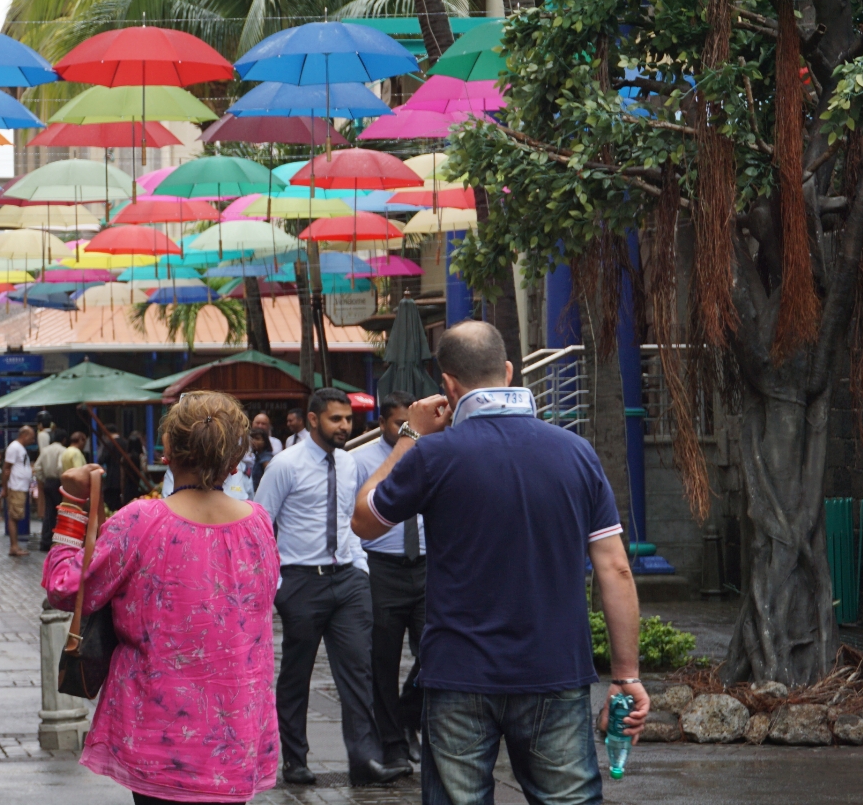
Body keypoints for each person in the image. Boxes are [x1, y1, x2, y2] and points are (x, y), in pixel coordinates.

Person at [355, 321, 649, 805]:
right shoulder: (576, 453)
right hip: (555, 669)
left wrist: (410, 433)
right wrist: (626, 676)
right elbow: (615, 568)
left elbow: (365, 520)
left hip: (459, 674)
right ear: (508, 370)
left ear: (447, 386)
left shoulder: (434, 455)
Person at [43, 391, 280, 802]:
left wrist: (73, 504)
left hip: (159, 734)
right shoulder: (258, 524)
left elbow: (65, 588)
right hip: (235, 734)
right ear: (232, 461)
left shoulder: (141, 520)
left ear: (168, 451)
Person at [254, 387, 399, 788]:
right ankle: (295, 760)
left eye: (348, 420)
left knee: (358, 669)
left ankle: (364, 760)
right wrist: (279, 582)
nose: (345, 427)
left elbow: (350, 519)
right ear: (314, 420)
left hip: (347, 579)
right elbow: (260, 524)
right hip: (300, 581)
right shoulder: (285, 465)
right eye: (336, 419)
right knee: (296, 674)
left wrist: (361, 568)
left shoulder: (349, 464)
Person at [349, 390, 425, 772]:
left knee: (437, 649)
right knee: (383, 660)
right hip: (381, 567)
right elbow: (350, 514)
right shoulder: (361, 462)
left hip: (428, 566)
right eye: (400, 424)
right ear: (382, 423)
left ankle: (410, 711)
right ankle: (393, 743)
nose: (409, 430)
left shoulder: (431, 454)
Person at [31, 426, 68, 552]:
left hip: (48, 482)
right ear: (64, 439)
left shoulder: (45, 450)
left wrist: (43, 479)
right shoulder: (63, 450)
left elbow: (36, 467)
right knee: (60, 512)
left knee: (48, 512)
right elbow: (60, 467)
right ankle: (58, 541)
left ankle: (46, 541)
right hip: (58, 483)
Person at [2, 425, 33, 556]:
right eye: (32, 437)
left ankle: (15, 546)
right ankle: (14, 547)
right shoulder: (14, 447)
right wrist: (5, 489)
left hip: (21, 487)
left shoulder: (21, 449)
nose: (33, 440)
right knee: (14, 517)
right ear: (24, 435)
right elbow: (6, 469)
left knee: (17, 516)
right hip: (16, 487)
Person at [249, 411, 282, 486]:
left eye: (263, 424)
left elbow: (271, 476)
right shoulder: (257, 453)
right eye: (257, 423)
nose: (260, 426)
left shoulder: (266, 457)